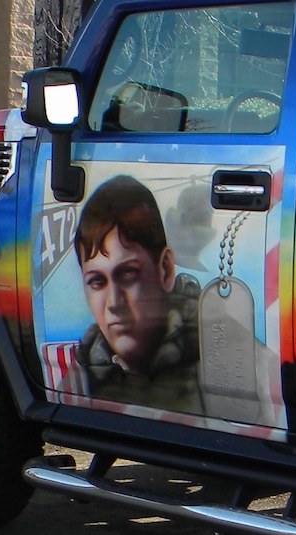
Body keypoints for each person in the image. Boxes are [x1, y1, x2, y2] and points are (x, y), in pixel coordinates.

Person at [73, 175, 204, 415]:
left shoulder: (226, 360)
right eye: (97, 281)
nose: (114, 303)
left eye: (128, 274)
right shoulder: (80, 375)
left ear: (165, 269)